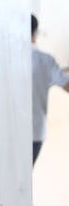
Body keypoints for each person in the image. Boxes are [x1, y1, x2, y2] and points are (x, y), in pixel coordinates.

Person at [33, 13, 69, 165]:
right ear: (34, 33)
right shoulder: (45, 61)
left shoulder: (2, 57)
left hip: (5, 131)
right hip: (34, 132)